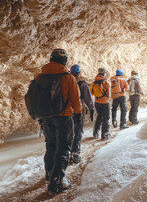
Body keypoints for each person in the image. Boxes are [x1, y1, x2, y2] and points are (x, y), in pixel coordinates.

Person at [35, 48, 82, 194]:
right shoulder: (68, 78)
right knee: (63, 148)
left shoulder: (39, 77)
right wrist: (79, 116)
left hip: (46, 118)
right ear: (65, 61)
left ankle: (49, 175)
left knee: (51, 146)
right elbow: (76, 100)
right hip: (64, 118)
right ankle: (57, 182)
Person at [69, 64, 95, 163]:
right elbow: (88, 98)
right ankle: (75, 154)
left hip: (66, 112)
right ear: (79, 73)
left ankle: (67, 153)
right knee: (77, 132)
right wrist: (92, 109)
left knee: (68, 133)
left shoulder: (65, 81)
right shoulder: (82, 84)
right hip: (78, 111)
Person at [90, 68, 111, 140]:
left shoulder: (94, 82)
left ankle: (95, 132)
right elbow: (108, 92)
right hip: (105, 102)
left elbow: (91, 92)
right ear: (104, 73)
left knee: (99, 116)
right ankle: (105, 134)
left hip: (97, 101)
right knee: (106, 118)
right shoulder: (105, 82)